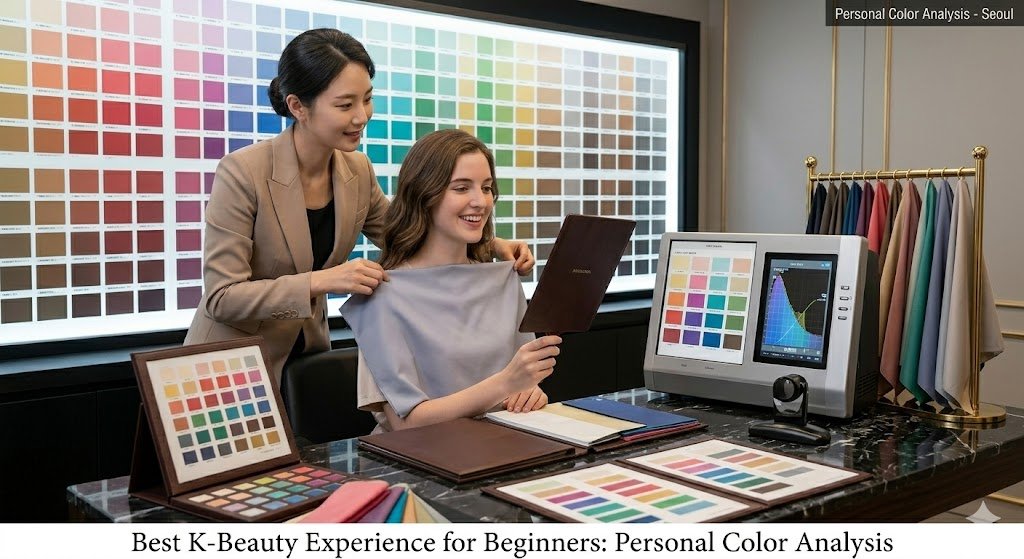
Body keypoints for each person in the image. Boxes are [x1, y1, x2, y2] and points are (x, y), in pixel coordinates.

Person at [184, 29, 533, 384]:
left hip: (307, 359)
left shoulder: (357, 169)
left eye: (366, 99)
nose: (362, 116)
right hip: (229, 366)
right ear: (297, 106)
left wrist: (492, 246)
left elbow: (407, 233)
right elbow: (222, 297)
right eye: (345, 104)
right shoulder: (243, 172)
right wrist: (323, 281)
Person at [343, 130, 562, 432]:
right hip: (421, 462)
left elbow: (523, 385)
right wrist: (505, 384)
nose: (480, 202)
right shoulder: (383, 295)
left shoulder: (503, 280)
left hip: (500, 446)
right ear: (424, 195)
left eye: (486, 188)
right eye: (461, 188)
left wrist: (527, 394)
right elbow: (406, 423)